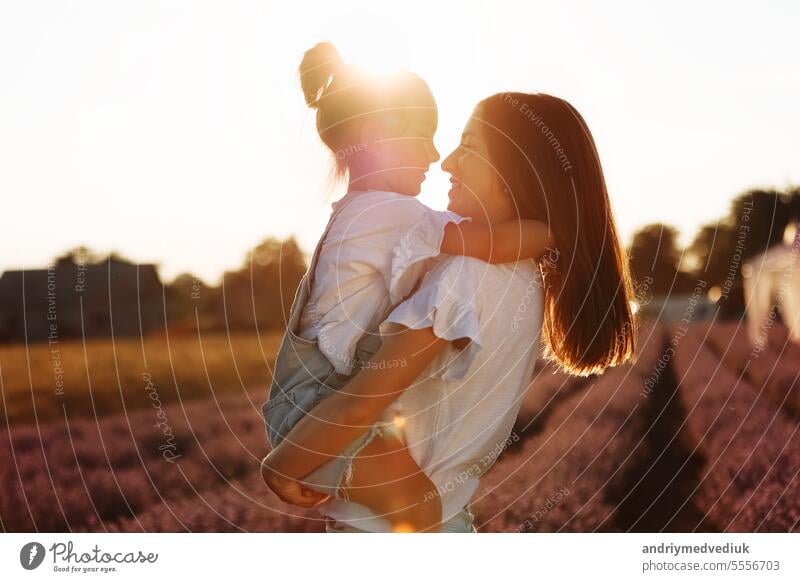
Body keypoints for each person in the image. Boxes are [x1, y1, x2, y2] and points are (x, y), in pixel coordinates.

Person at [262, 91, 639, 533]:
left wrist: (281, 466)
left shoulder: (465, 274)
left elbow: (360, 405)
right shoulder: (524, 278)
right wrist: (546, 233)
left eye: (470, 147)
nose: (447, 162)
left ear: (516, 171)